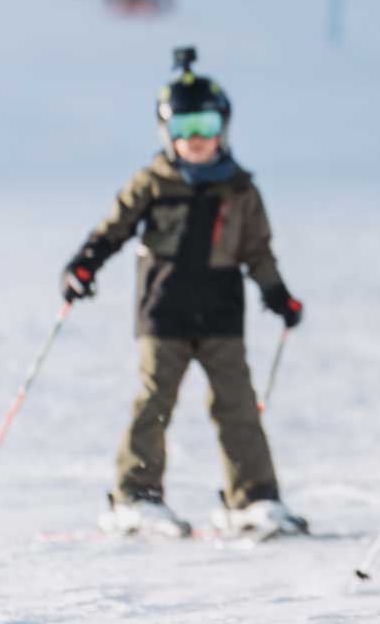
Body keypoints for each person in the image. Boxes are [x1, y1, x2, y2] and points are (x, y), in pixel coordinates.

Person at [60, 49, 306, 538]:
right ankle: (136, 495)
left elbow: (258, 251)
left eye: (206, 124)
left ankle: (252, 498)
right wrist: (84, 266)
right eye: (184, 127)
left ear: (224, 127)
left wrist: (277, 295)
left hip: (220, 312)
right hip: (163, 311)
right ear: (166, 133)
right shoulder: (152, 183)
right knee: (155, 401)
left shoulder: (240, 189)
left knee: (236, 404)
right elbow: (112, 230)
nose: (195, 139)